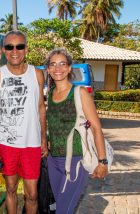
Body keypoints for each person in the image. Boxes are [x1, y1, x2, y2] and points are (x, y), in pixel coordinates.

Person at [0, 30, 48, 214]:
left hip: (32, 143)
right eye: (9, 47)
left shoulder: (37, 74)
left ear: (26, 49)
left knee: (32, 195)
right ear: (3, 50)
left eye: (19, 46)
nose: (15, 51)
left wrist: (44, 139)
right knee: (11, 190)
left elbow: (40, 108)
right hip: (6, 144)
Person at [45, 48, 108, 213]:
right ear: (48, 69)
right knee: (62, 206)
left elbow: (96, 127)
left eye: (62, 64)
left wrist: (102, 161)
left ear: (69, 67)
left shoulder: (79, 92)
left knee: (63, 211)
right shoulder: (50, 94)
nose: (58, 68)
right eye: (53, 64)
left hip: (76, 161)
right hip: (54, 161)